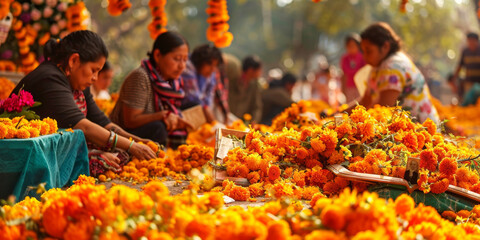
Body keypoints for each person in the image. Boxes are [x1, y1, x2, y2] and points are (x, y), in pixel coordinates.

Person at [11, 30, 156, 176]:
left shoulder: (77, 82)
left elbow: (102, 122)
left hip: (59, 148)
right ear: (74, 60)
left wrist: (138, 141)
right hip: (27, 156)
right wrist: (132, 146)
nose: (95, 78)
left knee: (120, 151)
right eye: (94, 70)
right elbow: (84, 127)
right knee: (109, 157)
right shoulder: (49, 78)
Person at [344, 22, 439, 123]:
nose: (365, 57)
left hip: (423, 131)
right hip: (404, 129)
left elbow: (383, 108)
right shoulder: (378, 65)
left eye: (369, 51)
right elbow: (365, 101)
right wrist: (339, 114)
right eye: (363, 51)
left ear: (385, 47)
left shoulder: (393, 66)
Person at [110, 31, 192, 148]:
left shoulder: (174, 82)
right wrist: (163, 115)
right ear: (158, 55)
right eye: (177, 59)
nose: (182, 66)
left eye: (185, 60)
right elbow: (130, 121)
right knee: (158, 128)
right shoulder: (141, 77)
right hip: (125, 138)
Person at [181, 44, 223, 123]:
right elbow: (193, 97)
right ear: (199, 61)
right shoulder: (187, 67)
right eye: (209, 64)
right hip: (183, 108)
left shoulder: (210, 74)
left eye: (215, 65)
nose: (212, 69)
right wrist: (213, 123)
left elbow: (209, 98)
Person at [228, 55, 263, 122]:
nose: (260, 73)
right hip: (227, 118)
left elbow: (257, 107)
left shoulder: (254, 84)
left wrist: (254, 121)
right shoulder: (233, 78)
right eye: (259, 70)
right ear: (250, 70)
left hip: (241, 123)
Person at [340, 33, 365, 102]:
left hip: (360, 86)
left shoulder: (363, 57)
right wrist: (343, 88)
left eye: (353, 46)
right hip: (349, 87)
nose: (351, 48)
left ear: (358, 46)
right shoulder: (345, 58)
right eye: (349, 46)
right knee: (350, 105)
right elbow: (344, 74)